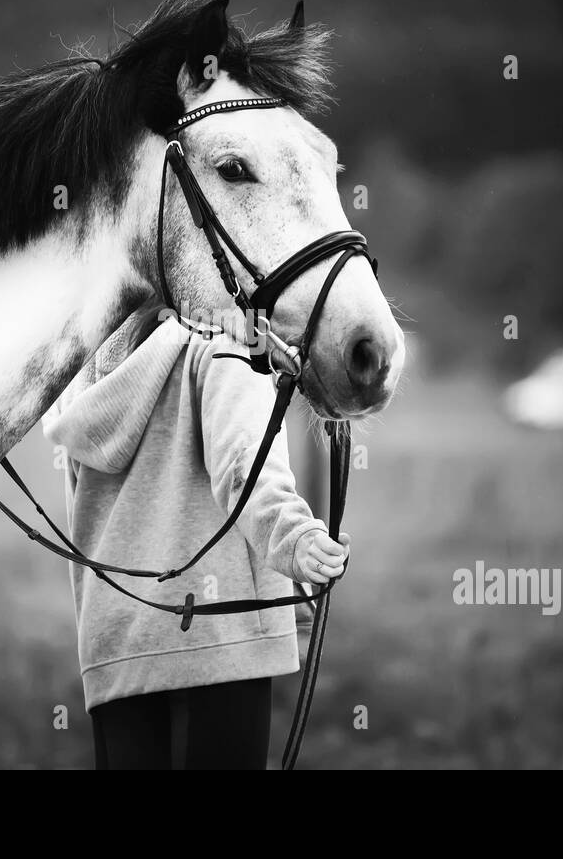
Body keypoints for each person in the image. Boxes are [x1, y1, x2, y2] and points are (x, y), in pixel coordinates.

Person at [42, 307, 350, 769]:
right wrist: (297, 539)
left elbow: (82, 509)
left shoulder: (88, 371)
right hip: (218, 634)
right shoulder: (223, 340)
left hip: (117, 642)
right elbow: (246, 467)